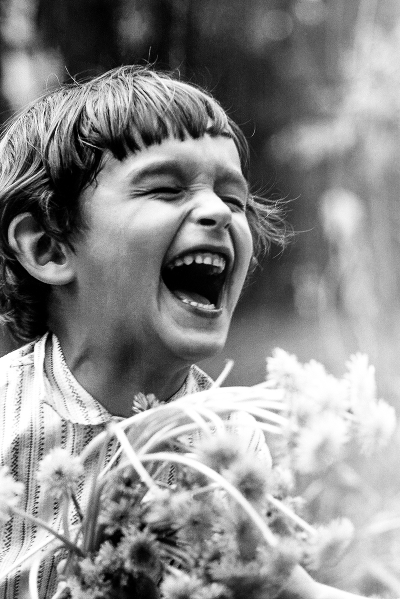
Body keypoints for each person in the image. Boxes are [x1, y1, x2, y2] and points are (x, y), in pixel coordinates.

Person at [0, 66, 359, 599]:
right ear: (48, 247)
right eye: (166, 189)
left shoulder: (230, 444)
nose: (218, 212)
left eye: (234, 200)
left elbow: (279, 585)